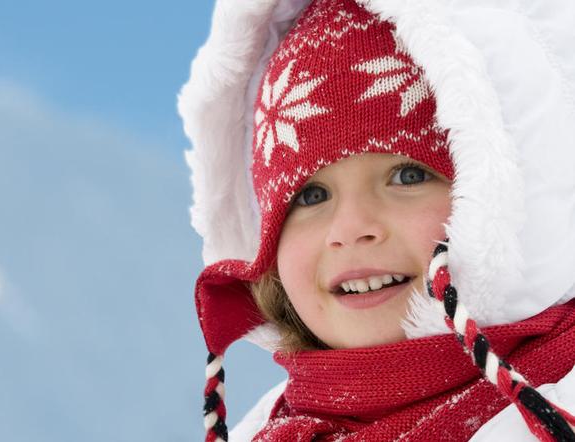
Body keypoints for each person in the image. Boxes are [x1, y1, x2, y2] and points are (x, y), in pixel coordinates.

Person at [178, 0, 575, 440]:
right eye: (311, 195)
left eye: (408, 175)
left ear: (513, 197)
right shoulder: (268, 427)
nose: (350, 229)